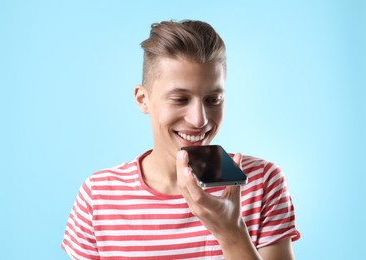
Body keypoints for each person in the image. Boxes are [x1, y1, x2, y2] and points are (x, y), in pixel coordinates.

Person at [61, 19, 300, 259]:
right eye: (180, 99)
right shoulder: (99, 195)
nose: (199, 120)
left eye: (212, 100)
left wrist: (231, 233)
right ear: (143, 99)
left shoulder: (262, 182)